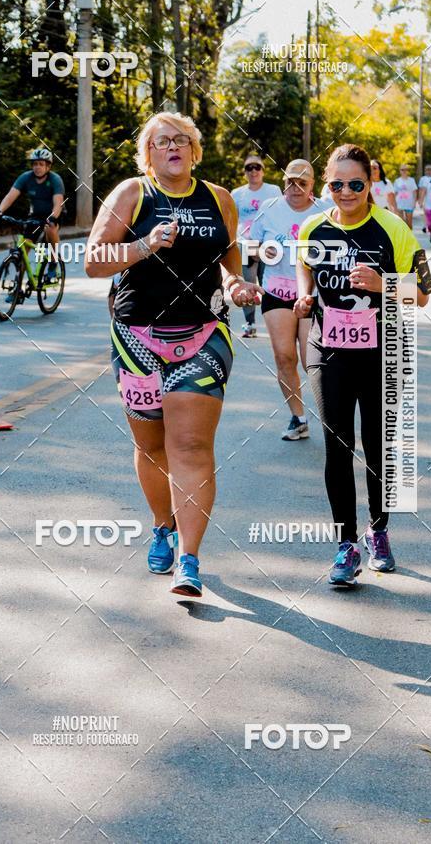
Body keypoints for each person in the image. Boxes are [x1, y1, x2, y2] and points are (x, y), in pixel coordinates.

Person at [85, 112, 263, 598]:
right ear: (150, 153)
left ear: (194, 149)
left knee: (190, 447)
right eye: (162, 141)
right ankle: (162, 525)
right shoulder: (131, 194)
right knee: (151, 447)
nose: (173, 147)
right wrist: (143, 245)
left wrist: (237, 286)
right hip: (137, 338)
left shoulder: (218, 199)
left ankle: (190, 558)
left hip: (204, 335)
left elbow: (228, 264)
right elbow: (92, 262)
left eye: (181, 140)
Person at [294, 143, 431, 586]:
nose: (346, 192)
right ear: (326, 185)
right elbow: (305, 265)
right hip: (328, 350)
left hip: (382, 353)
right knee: (337, 446)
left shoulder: (393, 229)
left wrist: (384, 283)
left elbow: (424, 295)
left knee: (377, 447)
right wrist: (306, 294)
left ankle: (379, 531)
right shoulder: (312, 227)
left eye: (356, 184)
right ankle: (345, 545)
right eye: (337, 184)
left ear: (370, 184)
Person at [250, 159, 325, 440]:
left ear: (312, 186)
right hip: (276, 292)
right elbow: (248, 247)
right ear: (284, 184)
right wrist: (260, 253)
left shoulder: (324, 212)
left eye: (302, 183)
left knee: (311, 362)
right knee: (284, 357)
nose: (296, 188)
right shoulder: (269, 209)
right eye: (291, 182)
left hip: (312, 295)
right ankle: (298, 418)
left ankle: (331, 418)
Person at [231, 156, 282, 338]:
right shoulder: (237, 194)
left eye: (257, 167)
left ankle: (275, 322)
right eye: (249, 168)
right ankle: (250, 323)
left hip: (268, 244)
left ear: (263, 170)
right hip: (246, 244)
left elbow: (279, 214)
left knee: (269, 284)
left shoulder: (273, 190)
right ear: (244, 172)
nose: (253, 171)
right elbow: (231, 220)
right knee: (249, 284)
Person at [0, 148, 64, 280]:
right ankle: (17, 286)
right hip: (35, 216)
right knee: (24, 248)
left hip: (53, 214)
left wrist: (53, 218)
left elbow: (58, 202)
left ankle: (54, 262)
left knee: (50, 228)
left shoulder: (55, 180)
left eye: (41, 164)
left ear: (48, 166)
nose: (37, 167)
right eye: (35, 164)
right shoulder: (26, 177)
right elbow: (11, 195)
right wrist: (0, 211)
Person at [392, 164, 418, 229]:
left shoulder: (411, 180)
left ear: (407, 171)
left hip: (409, 204)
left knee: (409, 223)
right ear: (400, 171)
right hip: (399, 204)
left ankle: (410, 236)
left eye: (405, 170)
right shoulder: (397, 181)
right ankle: (404, 238)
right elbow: (394, 193)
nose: (404, 171)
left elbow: (414, 192)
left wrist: (414, 203)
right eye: (402, 170)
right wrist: (393, 204)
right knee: (401, 223)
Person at [418, 164, 431, 232]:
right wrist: (420, 200)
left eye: (430, 169)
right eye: (427, 169)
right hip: (425, 198)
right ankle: (425, 225)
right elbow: (420, 189)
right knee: (425, 212)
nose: (429, 171)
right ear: (425, 171)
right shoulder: (423, 179)